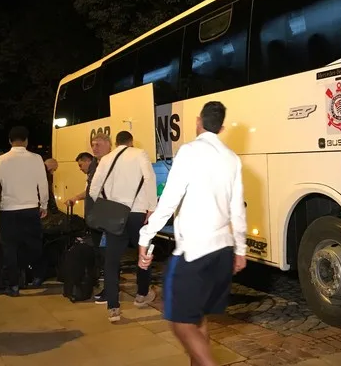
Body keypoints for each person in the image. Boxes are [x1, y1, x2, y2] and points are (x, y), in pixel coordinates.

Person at [138, 101, 247, 366]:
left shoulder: (189, 151)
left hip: (194, 252)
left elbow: (170, 200)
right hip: (222, 251)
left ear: (198, 122)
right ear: (221, 127)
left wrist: (146, 235)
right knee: (199, 319)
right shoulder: (232, 158)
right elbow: (238, 208)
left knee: (179, 322)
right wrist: (241, 250)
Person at [89, 131, 157, 322]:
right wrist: (151, 207)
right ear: (131, 142)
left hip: (114, 217)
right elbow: (150, 179)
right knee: (143, 254)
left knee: (111, 261)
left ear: (116, 143)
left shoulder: (106, 159)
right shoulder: (139, 154)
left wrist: (107, 206)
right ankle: (141, 295)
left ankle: (113, 307)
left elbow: (94, 189)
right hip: (137, 214)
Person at [0, 126, 49, 296]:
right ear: (26, 141)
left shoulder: (2, 160)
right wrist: (43, 205)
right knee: (34, 245)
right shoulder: (37, 158)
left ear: (10, 141)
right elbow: (43, 184)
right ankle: (37, 275)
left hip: (9, 211)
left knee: (10, 249)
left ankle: (14, 286)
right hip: (31, 209)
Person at [67, 136, 111, 298]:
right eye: (93, 145)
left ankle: (110, 289)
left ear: (108, 145)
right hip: (96, 220)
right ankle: (106, 284)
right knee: (101, 253)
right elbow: (91, 191)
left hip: (106, 218)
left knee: (107, 254)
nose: (95, 148)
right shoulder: (96, 167)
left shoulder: (108, 165)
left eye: (98, 145)